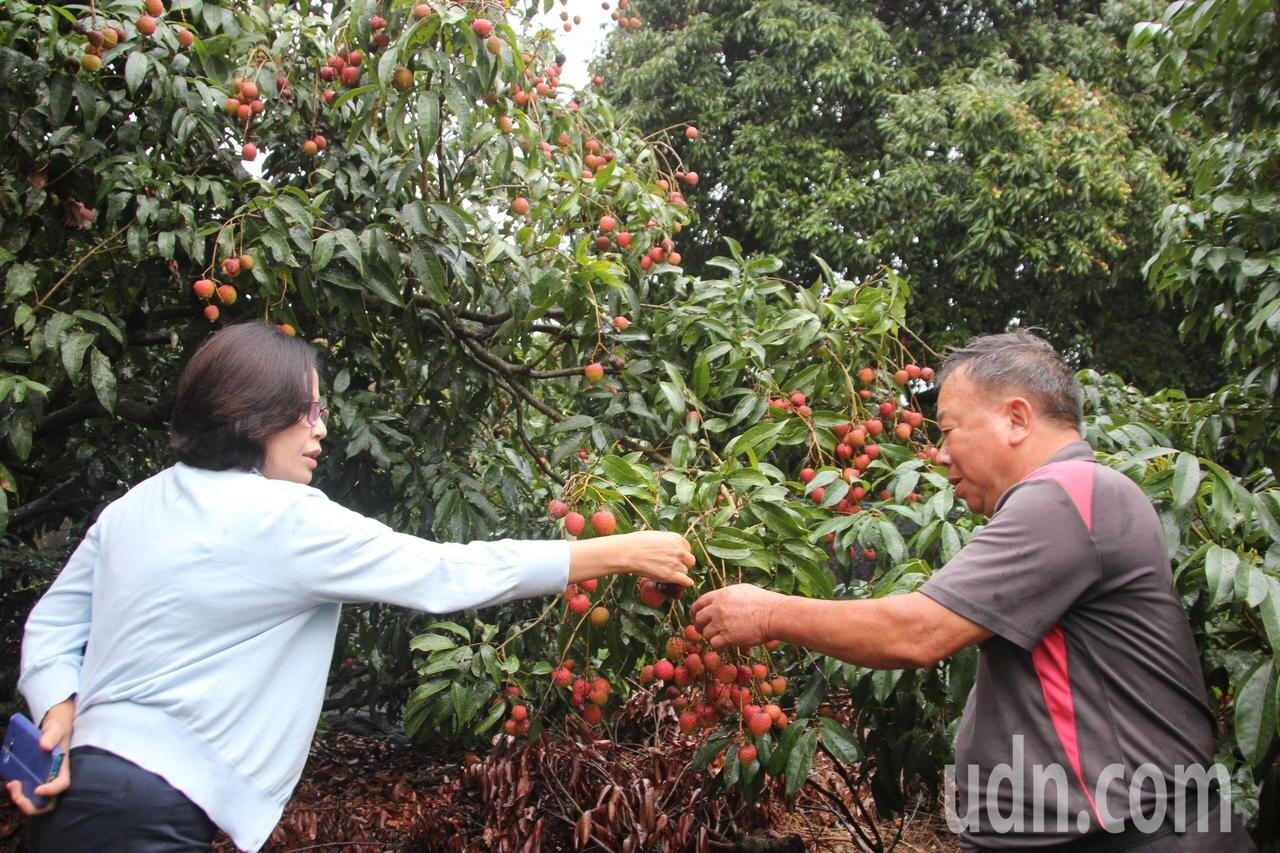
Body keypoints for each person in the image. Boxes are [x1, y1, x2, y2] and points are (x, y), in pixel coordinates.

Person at [8, 321, 695, 852]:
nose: (322, 429)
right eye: (307, 411)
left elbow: (51, 626)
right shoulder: (284, 519)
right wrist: (616, 549)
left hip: (80, 790)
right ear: (255, 411)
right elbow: (444, 572)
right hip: (143, 808)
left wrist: (57, 717)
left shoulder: (134, 506)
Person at [692, 330, 1255, 851]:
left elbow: (919, 632)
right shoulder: (1078, 497)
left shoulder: (1067, 495)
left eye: (948, 430)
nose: (938, 455)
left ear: (1015, 418)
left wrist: (768, 613)